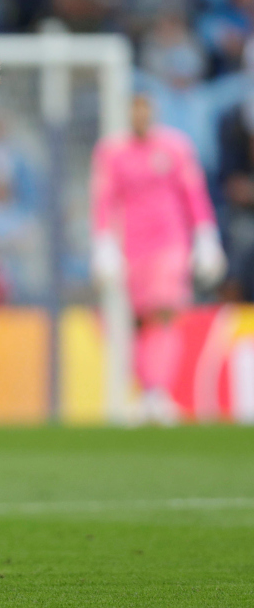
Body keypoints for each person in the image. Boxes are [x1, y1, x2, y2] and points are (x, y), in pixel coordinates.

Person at [91, 94, 227, 424]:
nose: (141, 116)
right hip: (131, 248)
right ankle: (149, 391)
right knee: (135, 323)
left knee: (164, 313)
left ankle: (157, 392)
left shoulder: (176, 147)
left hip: (170, 243)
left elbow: (193, 193)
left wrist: (206, 235)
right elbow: (103, 199)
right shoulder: (112, 152)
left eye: (145, 110)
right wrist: (104, 241)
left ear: (153, 112)